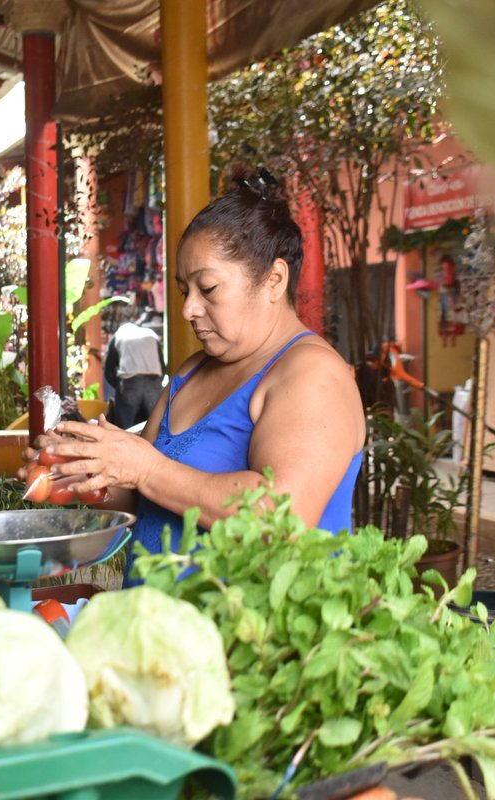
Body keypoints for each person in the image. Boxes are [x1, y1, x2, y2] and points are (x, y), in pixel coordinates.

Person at [21, 171, 366, 584]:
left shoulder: (312, 374)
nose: (188, 310)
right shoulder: (193, 370)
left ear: (274, 280)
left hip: (251, 624)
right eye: (186, 291)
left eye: (209, 288)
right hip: (155, 619)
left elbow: (279, 517)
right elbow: (145, 494)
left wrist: (145, 468)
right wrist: (86, 471)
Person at [104, 312, 165, 429]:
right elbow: (162, 365)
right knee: (157, 426)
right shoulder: (151, 334)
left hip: (130, 383)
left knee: (125, 427)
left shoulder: (119, 335)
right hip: (154, 382)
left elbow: (109, 370)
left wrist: (119, 386)